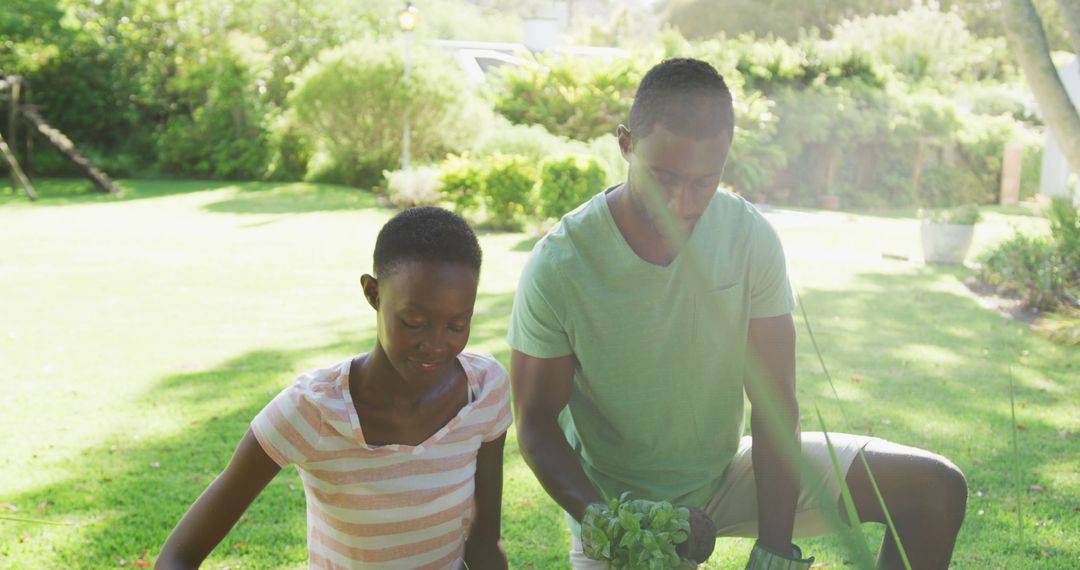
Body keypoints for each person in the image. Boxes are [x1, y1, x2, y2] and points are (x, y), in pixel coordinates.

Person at [508, 58, 967, 569]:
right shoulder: (561, 264)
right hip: (623, 503)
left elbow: (774, 401)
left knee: (935, 489)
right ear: (626, 144)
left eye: (704, 181)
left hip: (729, 471)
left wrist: (775, 548)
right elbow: (536, 426)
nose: (681, 204)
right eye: (662, 177)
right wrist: (611, 523)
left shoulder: (749, 238)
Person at [157, 207, 512, 570]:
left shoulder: (484, 392)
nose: (436, 345)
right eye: (414, 322)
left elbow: (483, 542)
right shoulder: (313, 410)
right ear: (373, 293)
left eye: (457, 324)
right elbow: (178, 556)